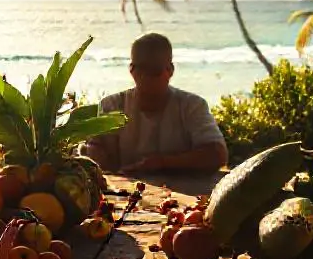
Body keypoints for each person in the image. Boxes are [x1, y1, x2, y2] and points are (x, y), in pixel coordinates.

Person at [82, 33, 228, 174]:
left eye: (155, 71)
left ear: (170, 70)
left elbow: (217, 154)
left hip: (186, 194)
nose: (148, 78)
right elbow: (95, 152)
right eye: (143, 70)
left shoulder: (192, 106)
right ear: (132, 70)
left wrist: (162, 163)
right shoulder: (112, 106)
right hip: (125, 195)